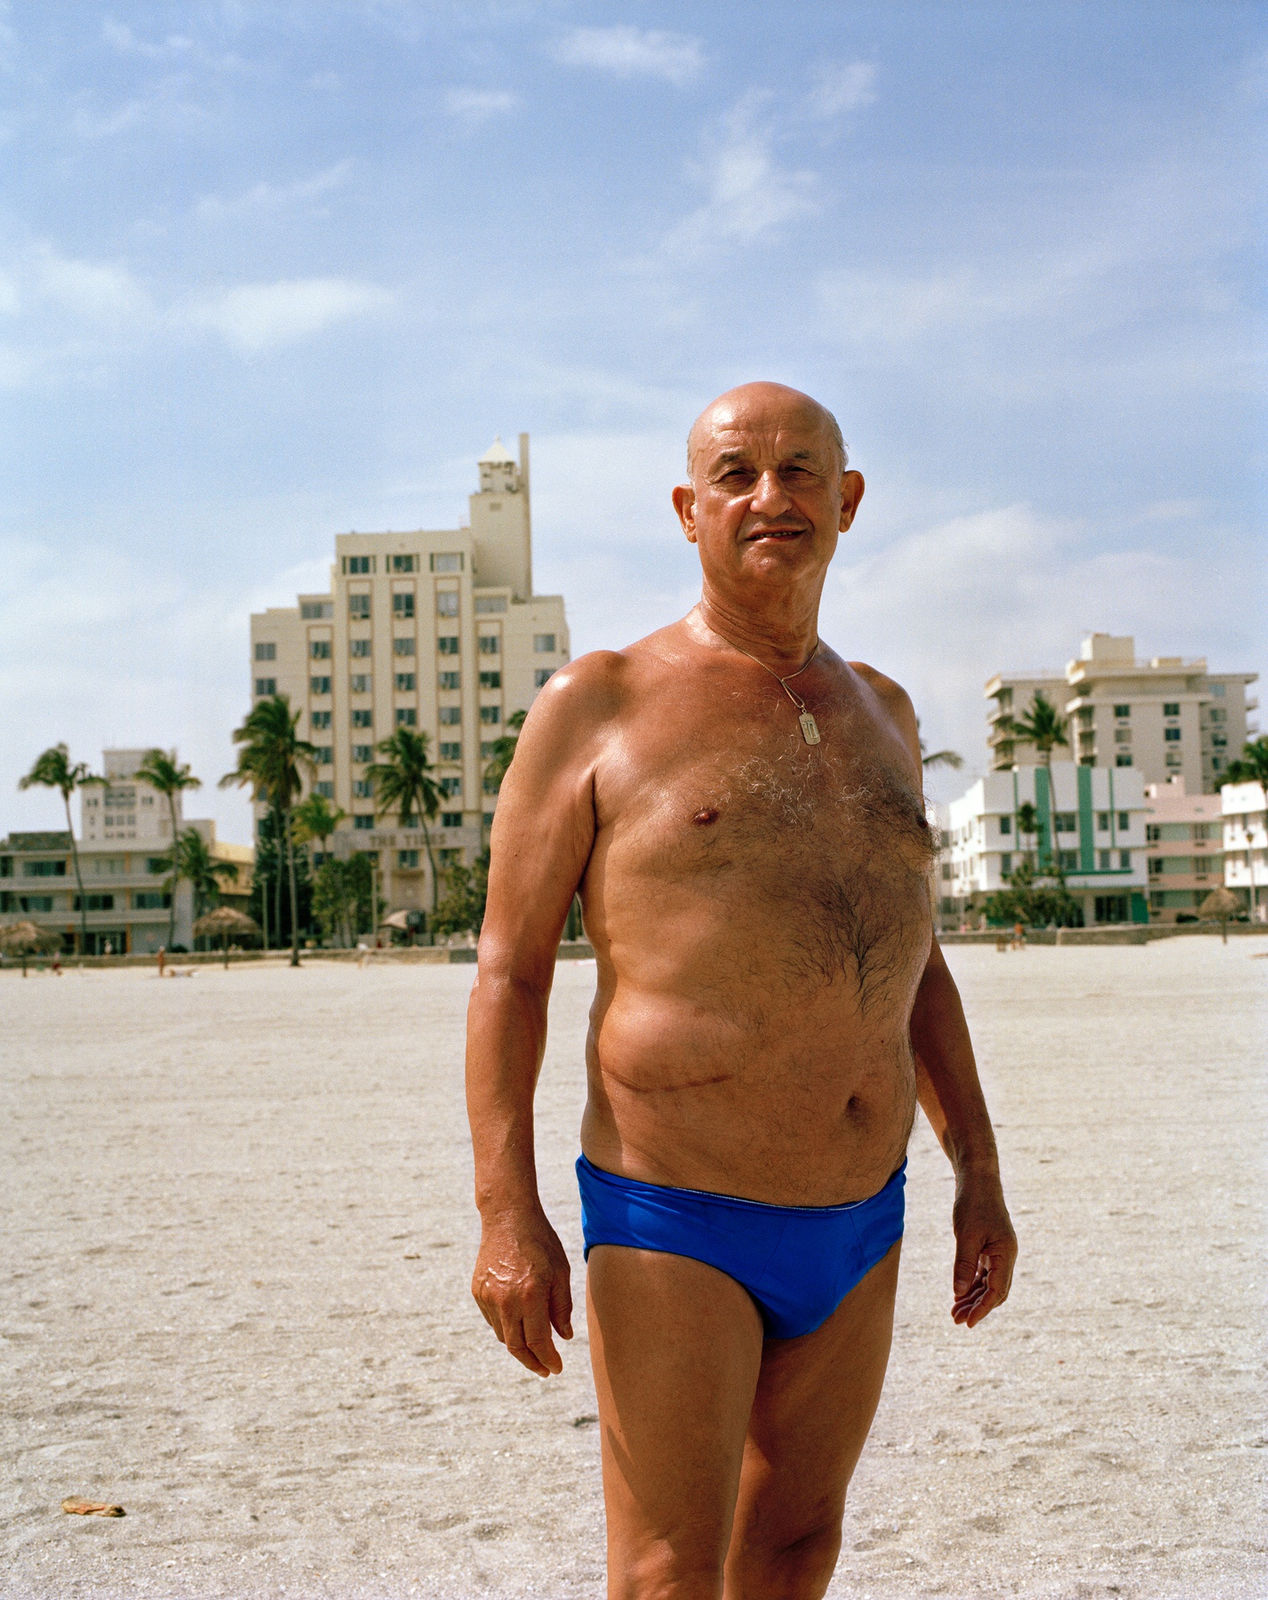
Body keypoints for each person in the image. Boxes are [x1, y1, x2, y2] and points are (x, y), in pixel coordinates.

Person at [466, 381, 1017, 1598]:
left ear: (847, 498)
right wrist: (506, 1216)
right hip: (677, 1212)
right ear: (686, 508)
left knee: (793, 1545)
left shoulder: (885, 711)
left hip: (863, 1212)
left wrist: (975, 1164)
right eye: (735, 475)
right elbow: (508, 972)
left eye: (799, 471)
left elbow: (911, 957)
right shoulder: (598, 703)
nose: (770, 497)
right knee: (667, 1570)